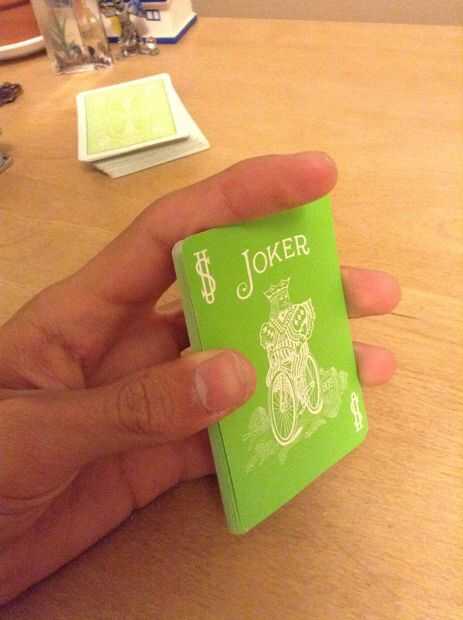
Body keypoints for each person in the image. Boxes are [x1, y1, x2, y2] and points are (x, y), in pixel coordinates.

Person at [0, 152, 400, 604]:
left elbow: (306, 318)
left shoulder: (294, 311)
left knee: (311, 360)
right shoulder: (268, 324)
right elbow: (265, 337)